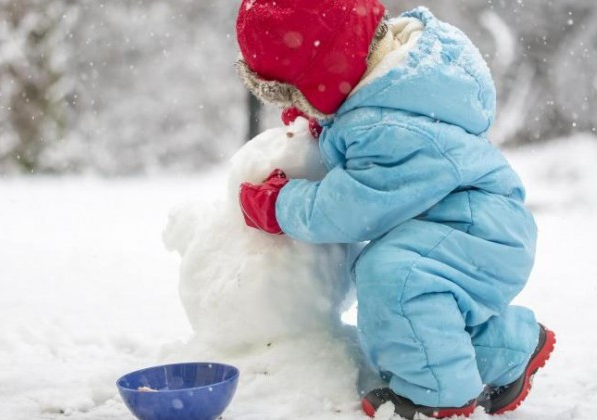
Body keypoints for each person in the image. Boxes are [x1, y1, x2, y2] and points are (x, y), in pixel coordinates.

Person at [235, 1, 556, 418]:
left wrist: (281, 205)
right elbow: (372, 127)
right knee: (418, 325)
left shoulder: (387, 128)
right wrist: (328, 122)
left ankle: (435, 397)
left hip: (474, 230)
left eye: (299, 92)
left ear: (324, 76)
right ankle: (509, 349)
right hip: (473, 222)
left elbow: (350, 207)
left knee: (395, 281)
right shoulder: (404, 78)